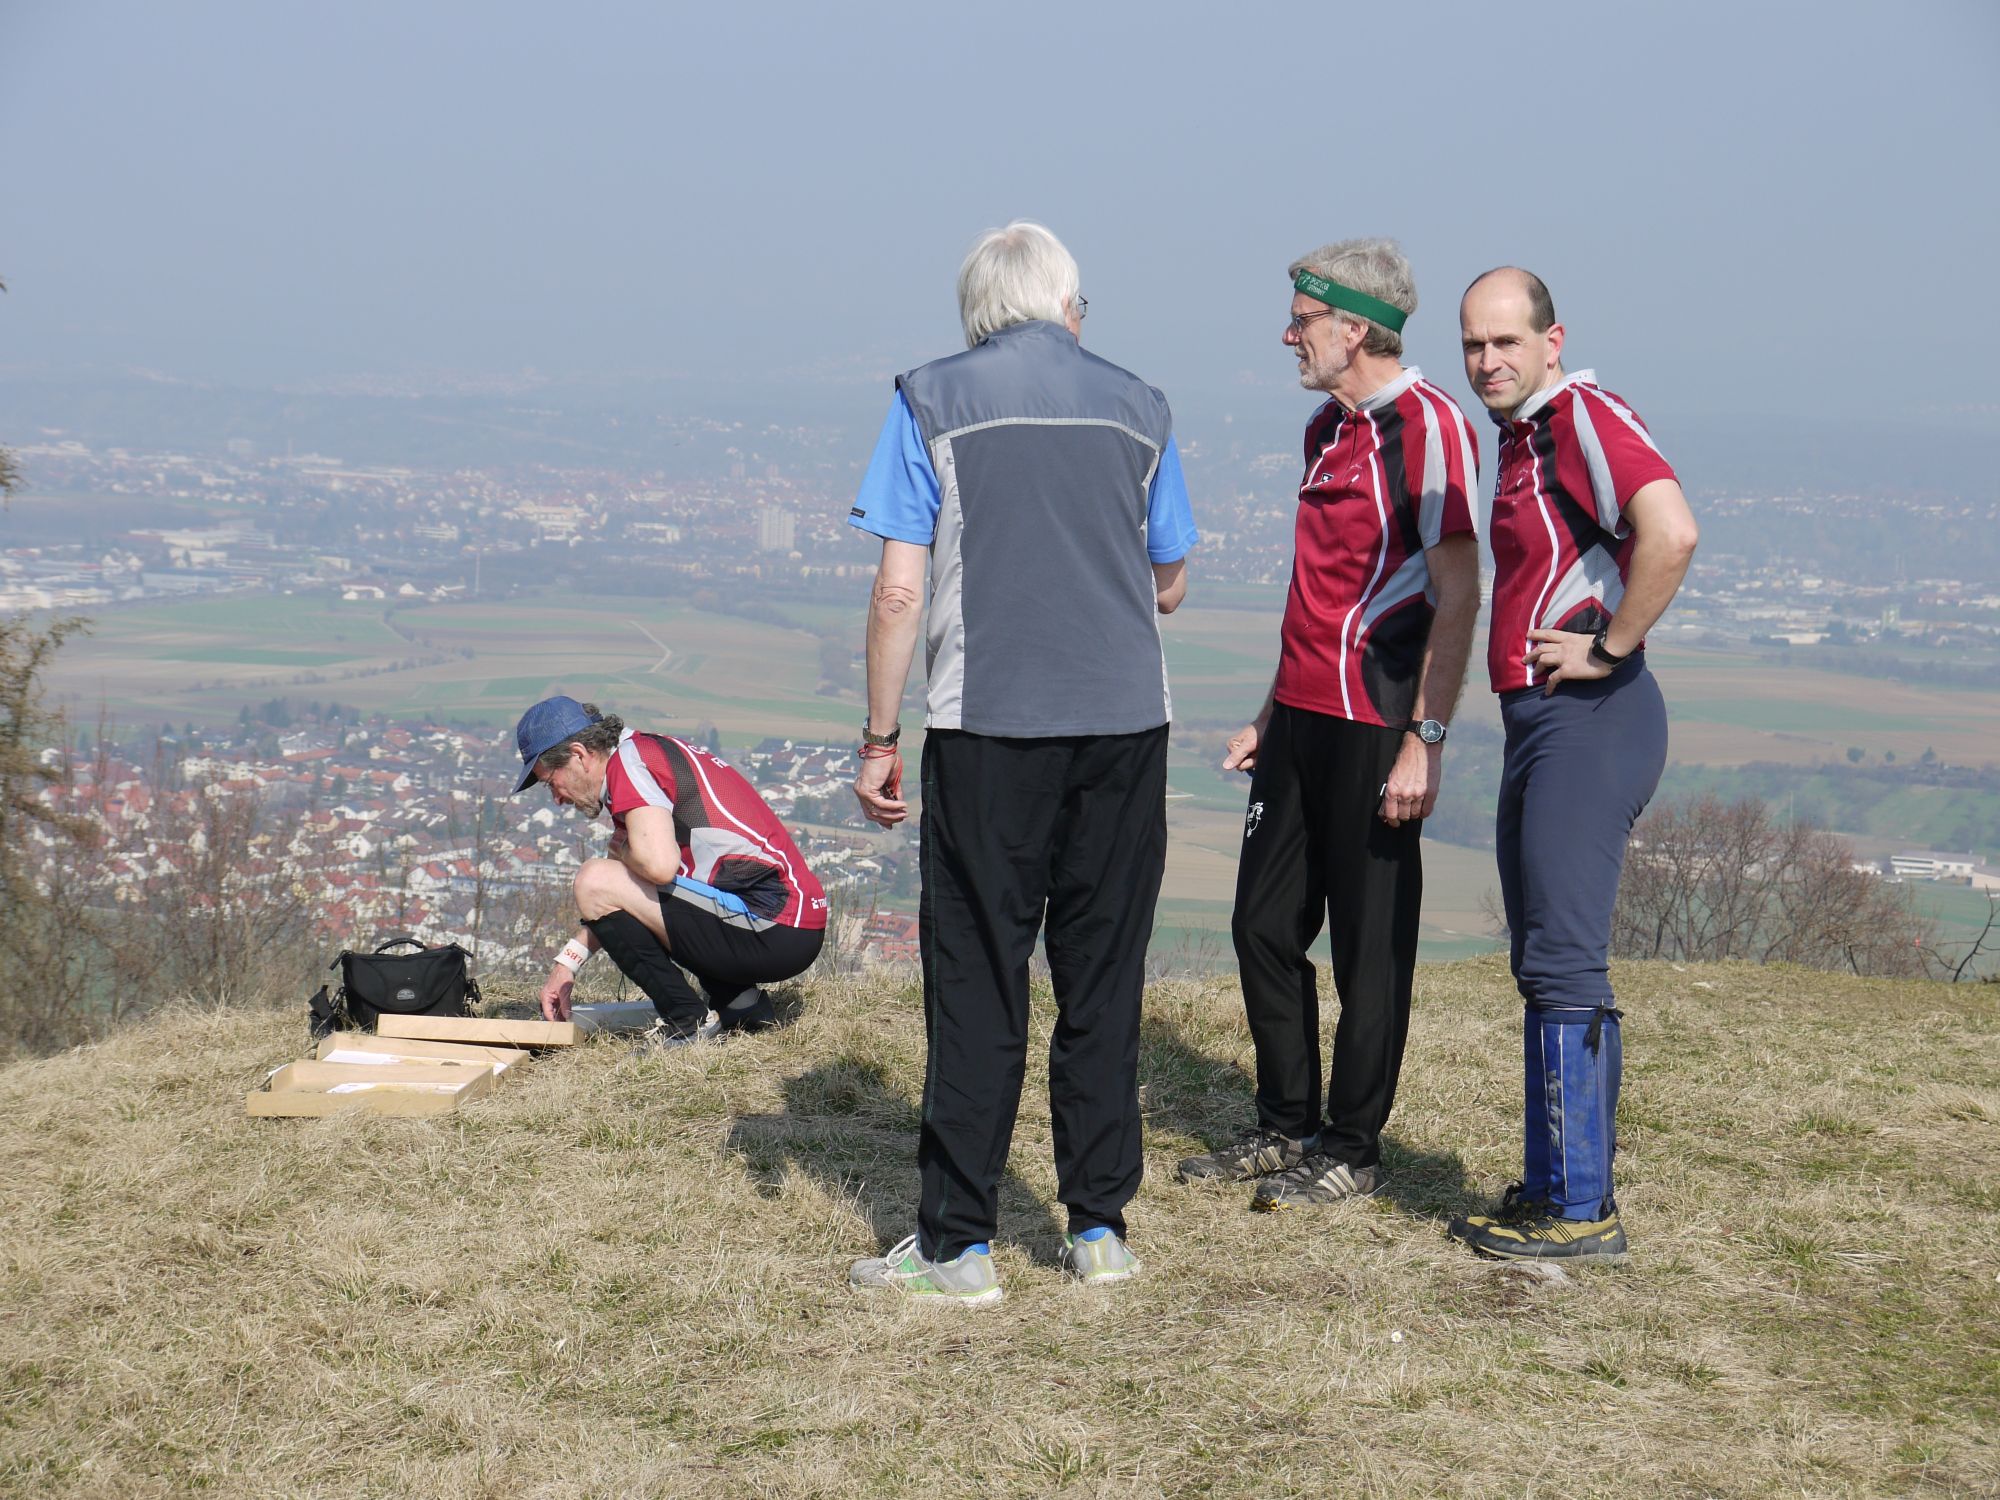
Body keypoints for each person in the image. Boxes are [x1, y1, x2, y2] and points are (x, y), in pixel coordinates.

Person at [843, 220, 1198, 1304]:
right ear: (1066, 306)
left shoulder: (928, 398)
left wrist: (877, 735)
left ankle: (960, 1247)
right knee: (1101, 977)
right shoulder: (1141, 407)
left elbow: (900, 589)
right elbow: (1167, 578)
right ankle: (1097, 1231)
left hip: (990, 726)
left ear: (977, 312)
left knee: (978, 977)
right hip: (1126, 726)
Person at [1178, 238, 1482, 1211]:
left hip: (1377, 723)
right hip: (1300, 719)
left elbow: (1457, 594)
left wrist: (1422, 741)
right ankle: (1283, 1125)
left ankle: (1350, 1147)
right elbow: (1316, 592)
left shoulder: (1431, 428)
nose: (1287, 335)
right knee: (1260, 928)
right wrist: (1269, 711)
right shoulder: (1325, 429)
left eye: (1302, 320)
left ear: (1355, 328)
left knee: (1366, 948)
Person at [1446, 268, 1699, 1261]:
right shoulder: (1522, 438)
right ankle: (1554, 1183)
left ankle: (1581, 1211)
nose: (1485, 362)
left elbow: (1669, 531)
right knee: (1541, 960)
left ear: (1551, 341)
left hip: (1590, 717)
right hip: (1545, 720)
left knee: (1561, 961)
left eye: (1504, 342)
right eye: (1471, 345)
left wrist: (1611, 644)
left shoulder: (1574, 416)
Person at [512, 695, 826, 1046]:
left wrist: (623, 850)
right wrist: (566, 964)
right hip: (786, 924)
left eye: (550, 781)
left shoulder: (630, 766)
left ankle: (686, 1021)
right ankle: (740, 1002)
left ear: (579, 755)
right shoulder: (640, 753)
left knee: (593, 878)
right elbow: (623, 898)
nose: (557, 797)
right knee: (612, 882)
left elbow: (657, 868)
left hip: (774, 924)